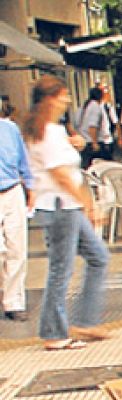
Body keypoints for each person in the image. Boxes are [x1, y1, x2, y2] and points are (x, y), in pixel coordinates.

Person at [22, 76, 111, 350]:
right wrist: (87, 202)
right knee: (61, 269)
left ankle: (85, 321)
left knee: (98, 256)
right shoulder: (45, 133)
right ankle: (54, 332)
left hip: (67, 206)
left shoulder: (54, 131)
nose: (68, 100)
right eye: (62, 95)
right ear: (50, 99)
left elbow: (65, 164)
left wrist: (76, 146)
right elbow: (60, 175)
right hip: (61, 206)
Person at [0, 103, 34, 322]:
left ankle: (14, 302)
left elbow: (24, 162)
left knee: (16, 249)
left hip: (12, 191)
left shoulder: (10, 129)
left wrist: (30, 189)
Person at [74, 86, 113, 168]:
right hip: (92, 142)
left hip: (83, 142)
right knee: (104, 166)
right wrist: (94, 143)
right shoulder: (95, 107)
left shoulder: (83, 107)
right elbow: (93, 126)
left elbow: (77, 124)